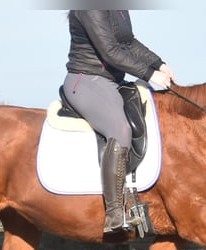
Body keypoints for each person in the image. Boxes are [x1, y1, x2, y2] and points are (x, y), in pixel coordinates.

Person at [62, 10, 175, 233]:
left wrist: (158, 63)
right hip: (86, 80)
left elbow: (128, 42)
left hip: (113, 82)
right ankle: (114, 213)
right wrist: (149, 74)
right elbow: (110, 51)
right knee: (120, 129)